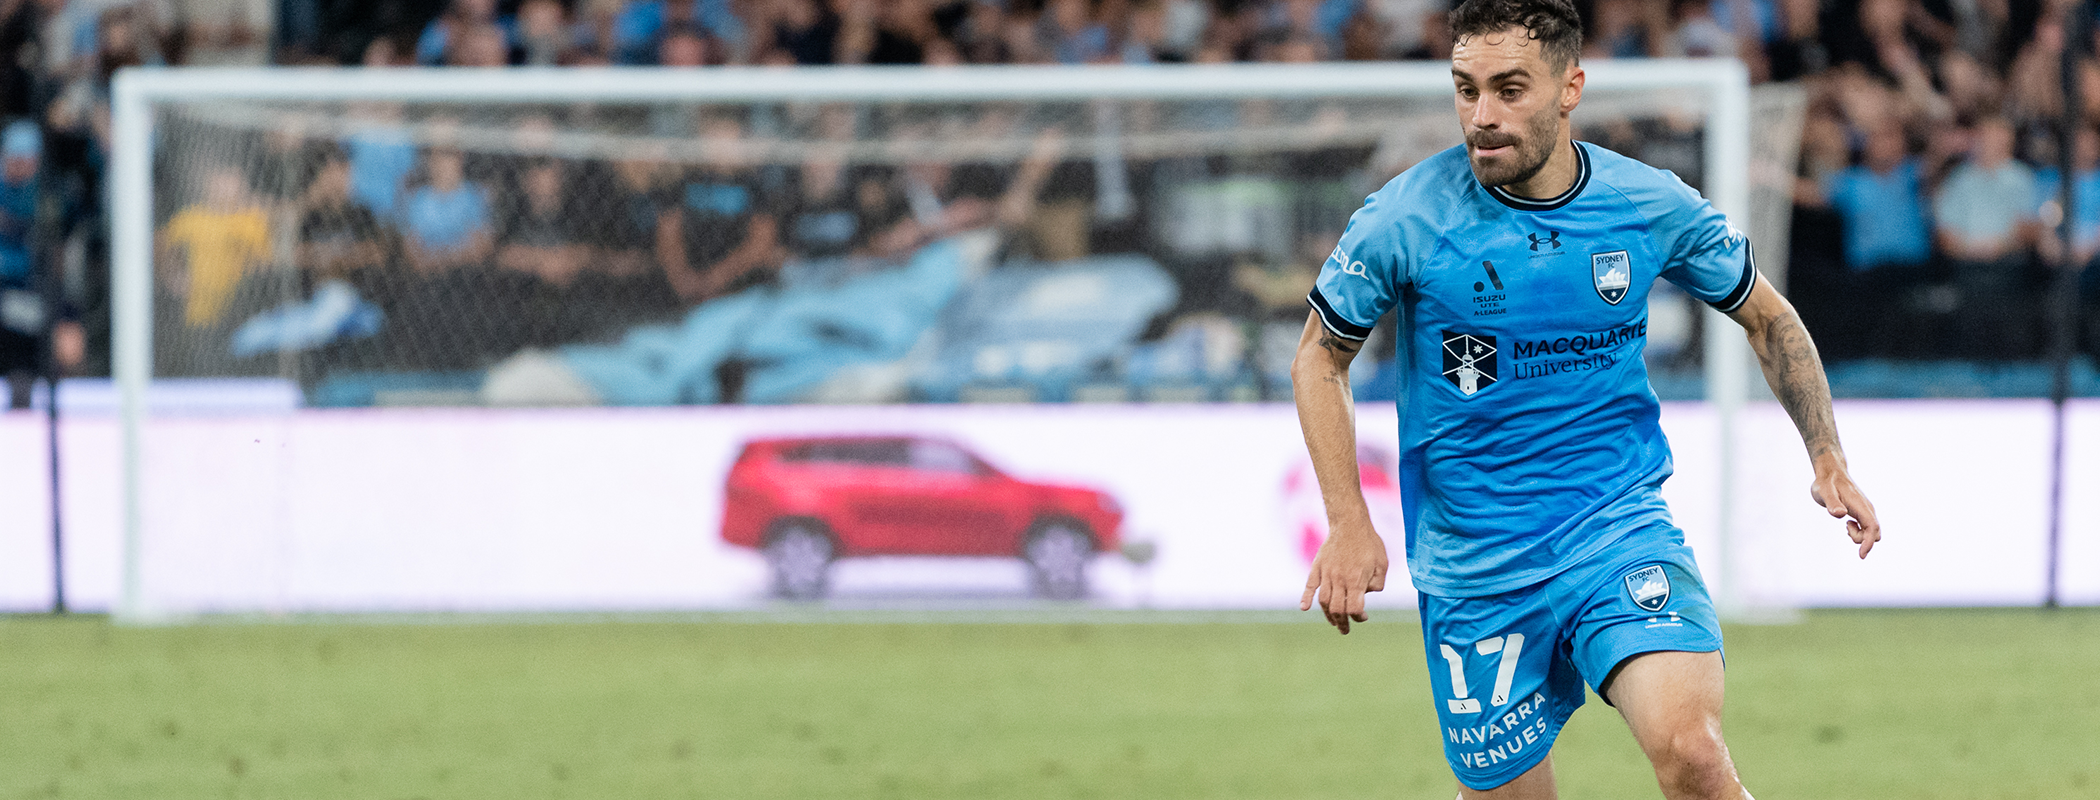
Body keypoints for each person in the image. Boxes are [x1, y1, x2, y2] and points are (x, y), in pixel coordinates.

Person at [1291, 3, 1881, 799]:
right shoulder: (1406, 217)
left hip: (1614, 530)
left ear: (1571, 88)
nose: (1482, 117)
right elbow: (1318, 358)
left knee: (1694, 753)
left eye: (1509, 90)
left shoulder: (1646, 204)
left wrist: (1826, 454)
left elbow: (1767, 315)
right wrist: (1348, 519)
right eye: (1467, 90)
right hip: (1476, 566)